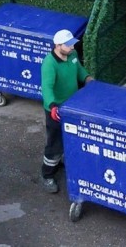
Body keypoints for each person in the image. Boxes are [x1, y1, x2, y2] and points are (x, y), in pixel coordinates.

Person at [39, 28, 93, 193]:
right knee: (55, 144)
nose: (72, 48)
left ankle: (59, 161)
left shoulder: (73, 56)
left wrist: (87, 78)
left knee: (70, 137)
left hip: (72, 105)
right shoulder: (49, 63)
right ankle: (47, 175)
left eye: (72, 44)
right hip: (56, 110)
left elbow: (79, 70)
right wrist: (53, 105)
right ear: (57, 45)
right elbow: (46, 88)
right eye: (68, 45)